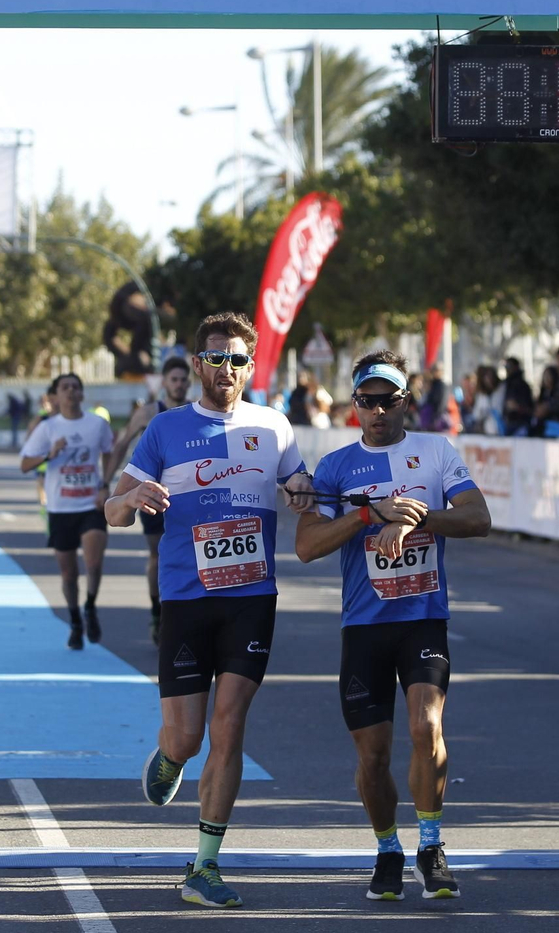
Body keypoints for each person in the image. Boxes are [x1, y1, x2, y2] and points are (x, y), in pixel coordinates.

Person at [105, 311, 315, 909]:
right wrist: (133, 496)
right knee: (189, 736)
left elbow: (299, 488)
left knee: (230, 726)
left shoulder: (273, 426)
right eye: (216, 358)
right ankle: (170, 755)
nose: (227, 369)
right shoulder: (166, 429)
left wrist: (300, 492)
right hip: (187, 601)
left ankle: (204, 864)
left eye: (238, 360)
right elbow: (110, 511)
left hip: (251, 599)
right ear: (198, 364)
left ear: (251, 367)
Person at [294, 350, 492, 902]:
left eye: (388, 400)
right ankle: (387, 848)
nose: (378, 410)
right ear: (354, 404)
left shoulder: (435, 451)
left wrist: (415, 515)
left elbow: (478, 518)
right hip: (364, 627)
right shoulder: (333, 468)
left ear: (405, 401)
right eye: (367, 400)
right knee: (373, 755)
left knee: (427, 728)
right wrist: (366, 514)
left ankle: (430, 845)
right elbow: (306, 545)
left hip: (422, 619)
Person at [20, 373, 114, 650]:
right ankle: (75, 620)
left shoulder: (97, 424)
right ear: (56, 396)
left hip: (90, 505)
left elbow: (110, 451)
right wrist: (49, 453)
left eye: (76, 387)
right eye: (65, 388)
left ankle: (90, 606)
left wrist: (105, 484)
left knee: (94, 563)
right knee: (69, 574)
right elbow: (25, 464)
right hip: (60, 509)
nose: (71, 392)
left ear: (82, 394)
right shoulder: (47, 428)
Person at [106, 356, 193, 644]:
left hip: (184, 497)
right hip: (152, 496)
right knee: (157, 554)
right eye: (174, 379)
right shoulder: (148, 413)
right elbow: (122, 444)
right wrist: (106, 483)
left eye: (183, 380)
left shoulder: (194, 412)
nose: (179, 385)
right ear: (165, 382)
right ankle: (158, 610)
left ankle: (186, 607)